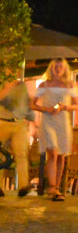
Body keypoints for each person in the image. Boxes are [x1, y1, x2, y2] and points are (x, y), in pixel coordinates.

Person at [30, 58, 78, 201]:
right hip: (48, 121)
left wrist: (65, 107)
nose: (58, 69)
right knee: (52, 151)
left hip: (63, 122)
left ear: (65, 69)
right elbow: (32, 105)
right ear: (51, 68)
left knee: (61, 155)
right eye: (55, 66)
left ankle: (56, 188)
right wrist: (46, 109)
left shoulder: (69, 85)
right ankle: (52, 186)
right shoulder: (44, 85)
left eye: (60, 67)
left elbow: (76, 105)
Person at [0, 75, 34, 196]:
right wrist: (8, 87)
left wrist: (29, 117)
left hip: (18, 123)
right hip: (1, 122)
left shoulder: (20, 85)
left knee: (21, 153)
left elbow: (26, 103)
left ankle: (23, 186)